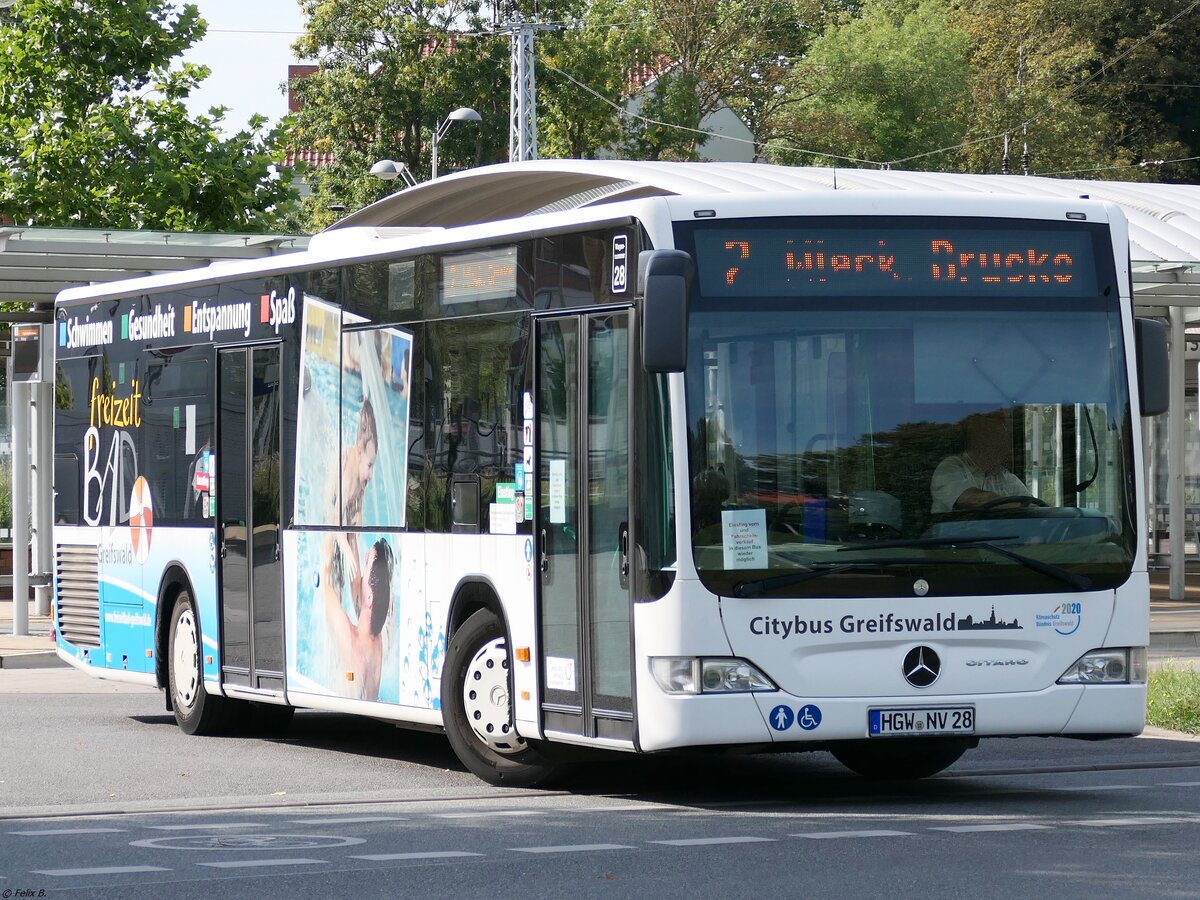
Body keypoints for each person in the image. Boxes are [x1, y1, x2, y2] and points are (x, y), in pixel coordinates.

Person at [320, 532, 395, 701]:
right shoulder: (378, 641)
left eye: (367, 562)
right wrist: (352, 538)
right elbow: (358, 587)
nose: (365, 557)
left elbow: (324, 581)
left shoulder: (349, 638)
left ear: (369, 598)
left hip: (340, 713)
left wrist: (335, 533)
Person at [931, 411, 1031, 513]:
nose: (1006, 446)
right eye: (997, 437)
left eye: (1004, 438)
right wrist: (1020, 507)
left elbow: (1032, 506)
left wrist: (1028, 508)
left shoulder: (1005, 477)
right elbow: (974, 500)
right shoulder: (949, 467)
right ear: (978, 440)